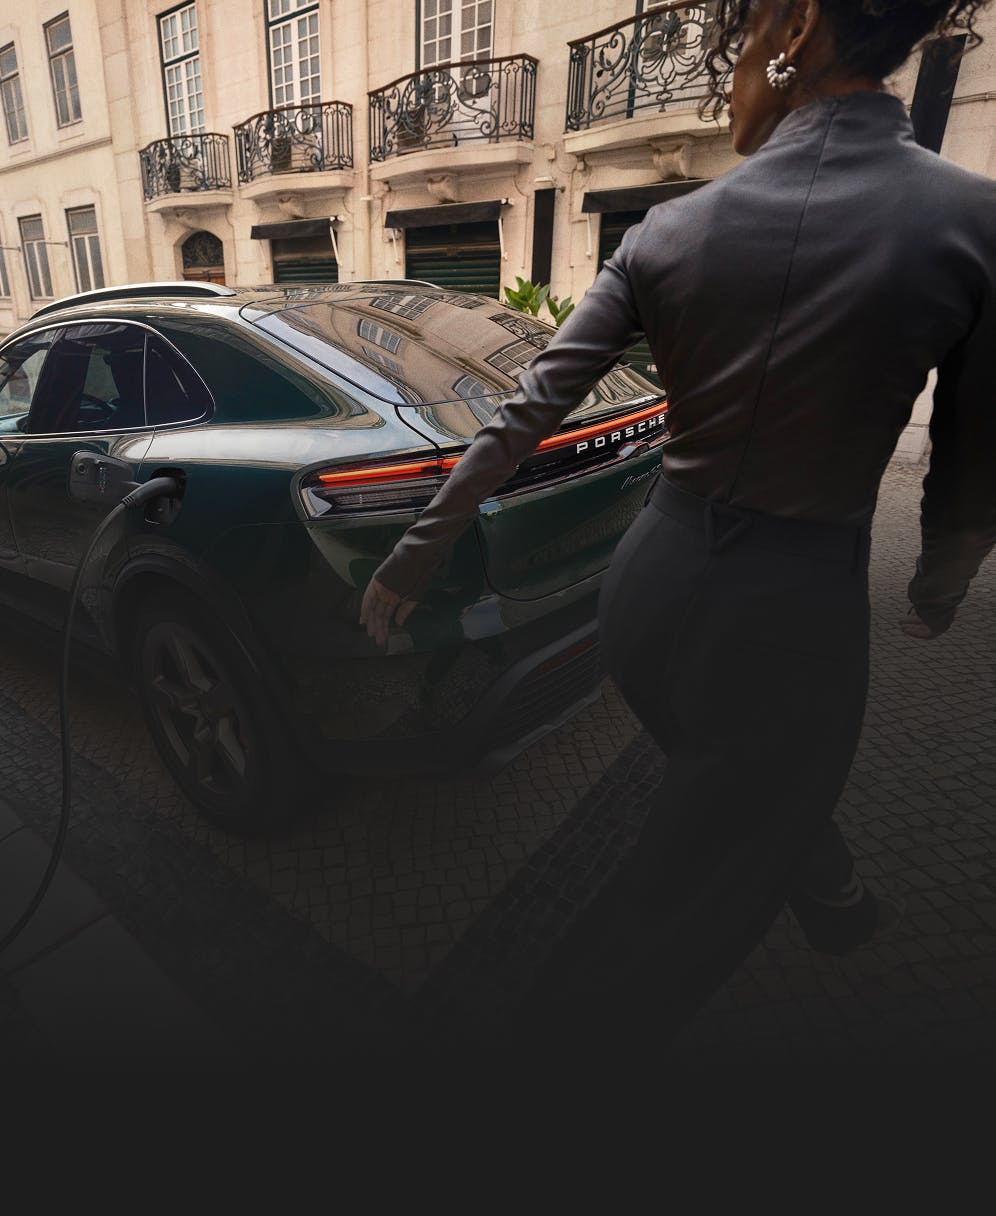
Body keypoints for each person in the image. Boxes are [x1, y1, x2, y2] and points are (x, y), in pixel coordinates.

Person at [360, 0, 996, 1047]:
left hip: (647, 597)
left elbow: (527, 410)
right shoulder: (972, 223)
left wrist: (418, 547)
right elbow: (975, 458)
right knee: (676, 917)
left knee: (738, 779)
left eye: (733, 52)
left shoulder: (668, 230)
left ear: (792, 31)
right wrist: (939, 582)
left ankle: (829, 889)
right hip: (791, 619)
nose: (728, 80)